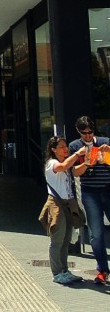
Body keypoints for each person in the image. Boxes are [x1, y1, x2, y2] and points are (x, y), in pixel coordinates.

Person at [68, 116, 110, 284]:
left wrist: (107, 156)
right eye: (83, 133)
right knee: (96, 233)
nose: (87, 136)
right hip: (90, 193)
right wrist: (86, 162)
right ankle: (102, 270)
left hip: (108, 189)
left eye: (90, 132)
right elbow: (75, 172)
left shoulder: (105, 142)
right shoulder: (75, 147)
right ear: (79, 132)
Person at [40, 136, 87, 284]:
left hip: (68, 204)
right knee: (57, 240)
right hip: (56, 204)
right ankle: (57, 273)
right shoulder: (52, 163)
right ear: (53, 149)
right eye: (61, 147)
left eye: (66, 146)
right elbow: (63, 166)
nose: (65, 149)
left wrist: (87, 162)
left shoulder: (64, 163)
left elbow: (75, 171)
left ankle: (64, 270)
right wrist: (78, 154)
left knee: (66, 240)